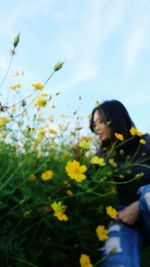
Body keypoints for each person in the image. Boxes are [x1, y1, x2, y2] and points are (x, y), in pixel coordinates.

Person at [89, 99, 150, 267]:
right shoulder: (105, 154)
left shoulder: (145, 143)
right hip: (127, 220)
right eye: (94, 124)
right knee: (115, 254)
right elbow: (86, 183)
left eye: (102, 122)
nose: (97, 128)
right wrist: (77, 157)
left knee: (148, 196)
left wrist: (138, 206)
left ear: (116, 120)